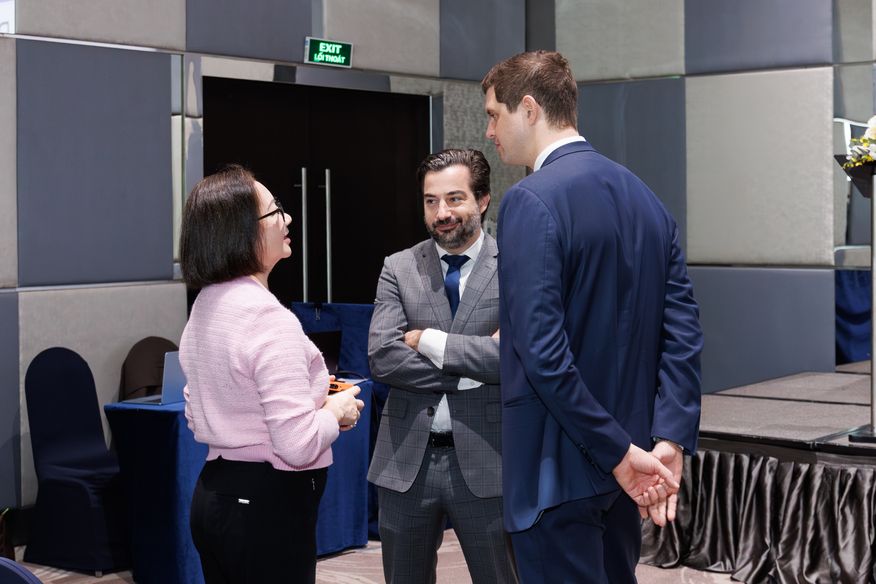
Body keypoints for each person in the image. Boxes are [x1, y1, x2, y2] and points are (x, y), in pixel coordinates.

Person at [482, 51, 703, 583]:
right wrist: (668, 440)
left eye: (493, 115)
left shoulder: (530, 200)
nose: (489, 132)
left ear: (529, 109)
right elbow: (683, 335)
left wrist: (618, 453)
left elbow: (543, 354)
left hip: (556, 472)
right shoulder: (647, 199)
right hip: (631, 466)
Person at [178, 165, 364, 584]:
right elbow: (297, 445)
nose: (288, 218)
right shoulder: (266, 318)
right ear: (242, 232)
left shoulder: (206, 306)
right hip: (267, 505)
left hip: (214, 495)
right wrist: (334, 411)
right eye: (275, 210)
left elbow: (197, 410)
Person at [367, 148, 517, 584]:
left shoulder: (513, 267)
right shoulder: (399, 267)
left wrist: (429, 342)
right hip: (404, 464)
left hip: (489, 461)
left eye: (454, 199)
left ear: (482, 200)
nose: (442, 213)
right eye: (431, 201)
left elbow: (515, 359)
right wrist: (471, 370)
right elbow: (382, 356)